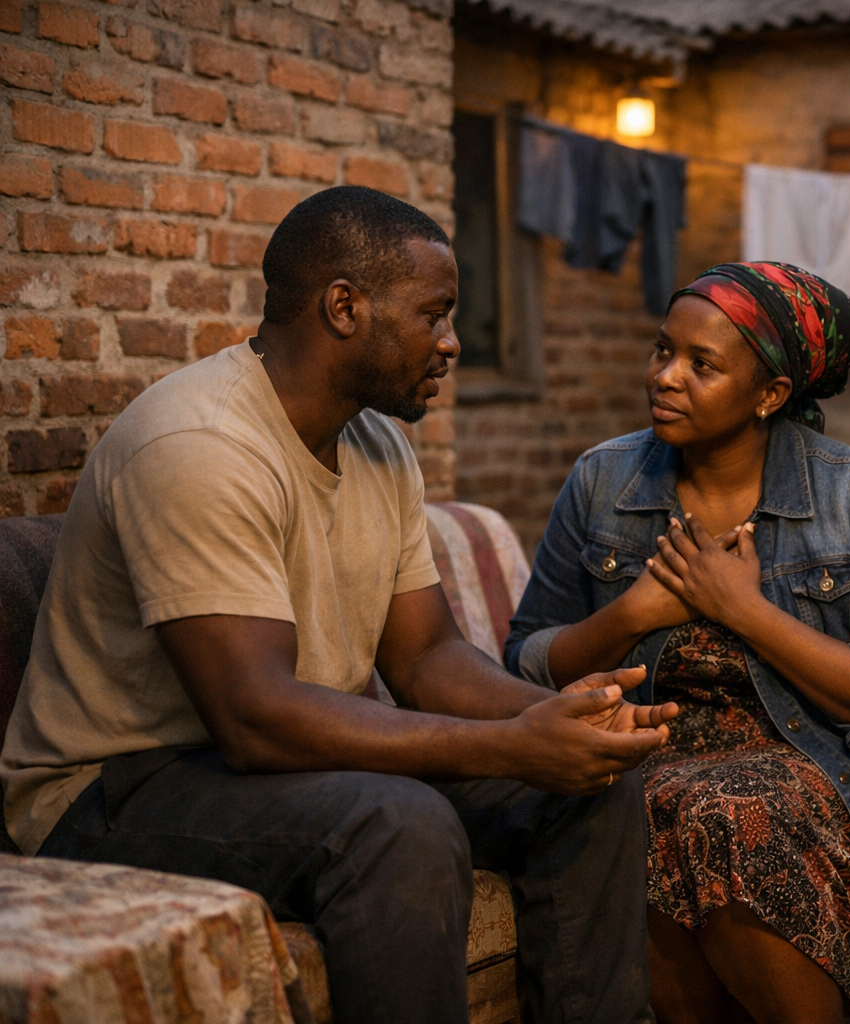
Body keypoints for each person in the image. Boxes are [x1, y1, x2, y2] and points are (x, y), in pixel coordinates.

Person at [0, 186, 678, 1024]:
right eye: (434, 315)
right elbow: (254, 719)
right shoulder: (200, 445)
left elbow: (425, 657)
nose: (453, 343)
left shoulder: (378, 442)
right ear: (345, 307)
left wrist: (563, 720)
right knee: (399, 824)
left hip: (284, 759)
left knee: (592, 787)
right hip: (116, 786)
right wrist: (510, 745)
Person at [505, 262, 850, 1024]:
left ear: (770, 396)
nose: (665, 377)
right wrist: (631, 615)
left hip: (823, 762)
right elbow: (523, 662)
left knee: (722, 812)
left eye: (701, 364)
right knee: (635, 808)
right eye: (662, 351)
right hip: (654, 757)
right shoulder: (601, 481)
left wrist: (743, 611)